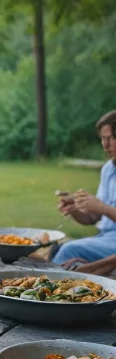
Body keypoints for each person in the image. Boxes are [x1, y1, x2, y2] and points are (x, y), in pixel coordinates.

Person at [53, 110, 116, 266]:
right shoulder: (108, 169)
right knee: (55, 248)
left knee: (69, 250)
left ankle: (48, 288)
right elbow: (93, 218)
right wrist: (75, 209)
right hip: (106, 238)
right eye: (102, 139)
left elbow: (102, 210)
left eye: (111, 138)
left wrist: (102, 207)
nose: (105, 145)